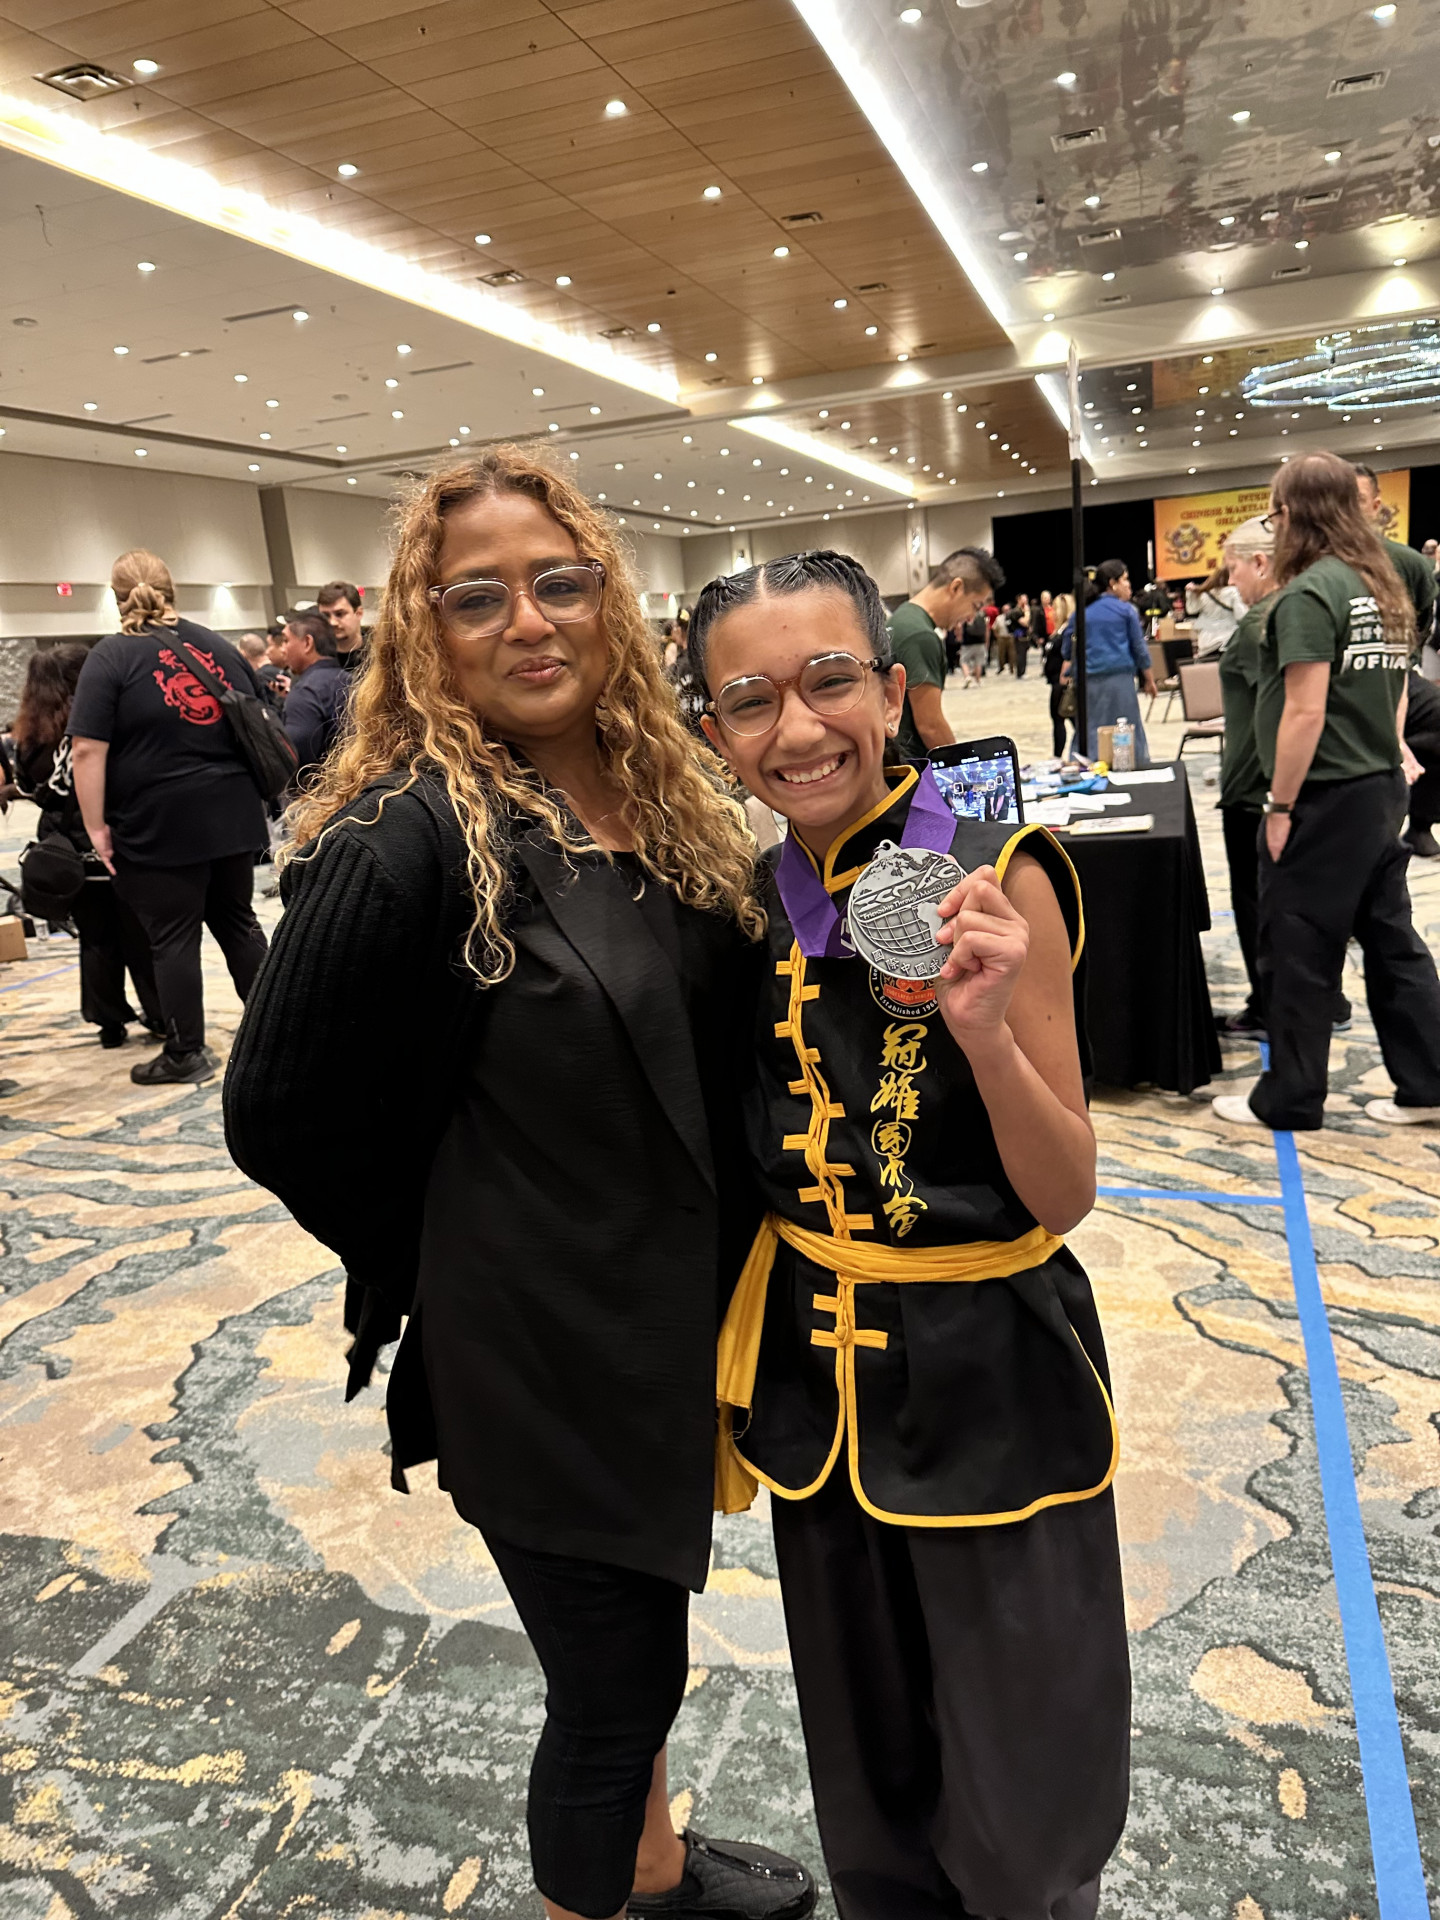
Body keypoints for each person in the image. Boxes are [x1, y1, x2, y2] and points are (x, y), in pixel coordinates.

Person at [222, 448, 816, 1920]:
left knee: (641, 1645)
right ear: (423, 631)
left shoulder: (663, 791)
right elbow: (278, 1113)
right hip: (539, 1348)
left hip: (663, 1319)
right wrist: (445, 1250)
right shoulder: (405, 835)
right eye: (477, 598)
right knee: (612, 1693)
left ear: (608, 600)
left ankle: (655, 1872)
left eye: (559, 583)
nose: (529, 622)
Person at [690, 548, 1129, 1920]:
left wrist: (986, 1036)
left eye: (829, 681)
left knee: (1022, 1783)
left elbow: (1065, 1191)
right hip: (818, 1390)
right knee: (866, 1773)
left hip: (989, 1374)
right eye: (750, 700)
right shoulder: (752, 899)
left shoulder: (1000, 877)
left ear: (891, 692)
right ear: (714, 731)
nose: (797, 728)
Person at [1213, 452, 1440, 1131]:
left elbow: (1304, 712)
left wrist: (1280, 806)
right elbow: (1397, 689)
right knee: (1391, 939)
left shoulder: (1311, 594)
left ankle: (1290, 1097)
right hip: (1378, 787)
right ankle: (1429, 1080)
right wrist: (1391, 749)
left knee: (1297, 946)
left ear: (1292, 515)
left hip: (1325, 794)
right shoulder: (1382, 585)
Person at [69, 550, 269, 1087]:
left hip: (159, 820)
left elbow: (87, 750)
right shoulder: (218, 646)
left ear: (117, 599)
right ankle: (282, 1030)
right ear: (172, 590)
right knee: (238, 922)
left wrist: (95, 827)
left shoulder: (110, 657)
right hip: (232, 811)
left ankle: (185, 1052)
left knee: (173, 938)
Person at [12, 644, 163, 1048]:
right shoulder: (97, 725)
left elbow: (27, 786)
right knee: (138, 934)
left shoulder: (29, 736)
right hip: (111, 837)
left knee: (95, 939)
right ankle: (159, 1013)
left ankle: (107, 1022)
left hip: (64, 851)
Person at [1213, 518, 1277, 1042]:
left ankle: (1268, 1008)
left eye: (1233, 568)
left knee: (1257, 905)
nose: (1230, 580)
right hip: (1259, 784)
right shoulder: (1276, 616)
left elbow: (1280, 708)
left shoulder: (1262, 622)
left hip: (1254, 789)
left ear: (1259, 562)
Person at [888, 549, 1005, 758]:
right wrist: (961, 764)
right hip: (912, 764)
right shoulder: (920, 636)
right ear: (956, 587)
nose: (971, 617)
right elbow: (930, 726)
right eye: (975, 606)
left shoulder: (902, 618)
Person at [1060, 561, 1158, 766]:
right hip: (1120, 682)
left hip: (1087, 684)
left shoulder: (1080, 613)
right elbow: (1140, 649)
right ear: (1112, 583)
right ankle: (1130, 765)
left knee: (1089, 729)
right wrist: (1149, 680)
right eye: (1125, 579)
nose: (1129, 585)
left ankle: (1086, 767)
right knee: (1127, 728)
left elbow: (1067, 650)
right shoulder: (1126, 611)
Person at [280, 610, 350, 780]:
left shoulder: (305, 692)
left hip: (321, 790)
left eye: (286, 640)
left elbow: (293, 760)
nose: (283, 649)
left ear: (307, 643)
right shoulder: (353, 680)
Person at [1183, 567, 1245, 658]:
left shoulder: (1204, 594)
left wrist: (1190, 594)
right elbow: (1241, 616)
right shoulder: (1233, 592)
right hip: (1227, 641)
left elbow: (1191, 610)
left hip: (1206, 644)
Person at [318, 579, 367, 673]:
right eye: (326, 616)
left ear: (359, 613)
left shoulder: (379, 655)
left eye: (339, 614)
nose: (332, 622)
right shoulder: (318, 659)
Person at [241, 629, 289, 709]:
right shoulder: (283, 673)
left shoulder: (257, 679)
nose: (267, 651)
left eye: (270, 645)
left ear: (243, 655)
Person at [958, 607, 988, 688]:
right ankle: (978, 681)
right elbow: (986, 629)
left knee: (964, 661)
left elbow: (960, 627)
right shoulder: (982, 616)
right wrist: (986, 641)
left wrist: (959, 638)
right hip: (980, 642)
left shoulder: (966, 615)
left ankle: (967, 677)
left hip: (968, 643)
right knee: (978, 662)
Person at [1012, 592, 1033, 678]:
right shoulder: (1017, 611)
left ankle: (1023, 671)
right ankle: (1020, 673)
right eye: (1024, 599)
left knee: (1024, 654)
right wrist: (1027, 612)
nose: (1026, 600)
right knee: (1020, 654)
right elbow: (1024, 622)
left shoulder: (1022, 610)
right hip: (1019, 636)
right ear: (1019, 600)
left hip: (1025, 636)